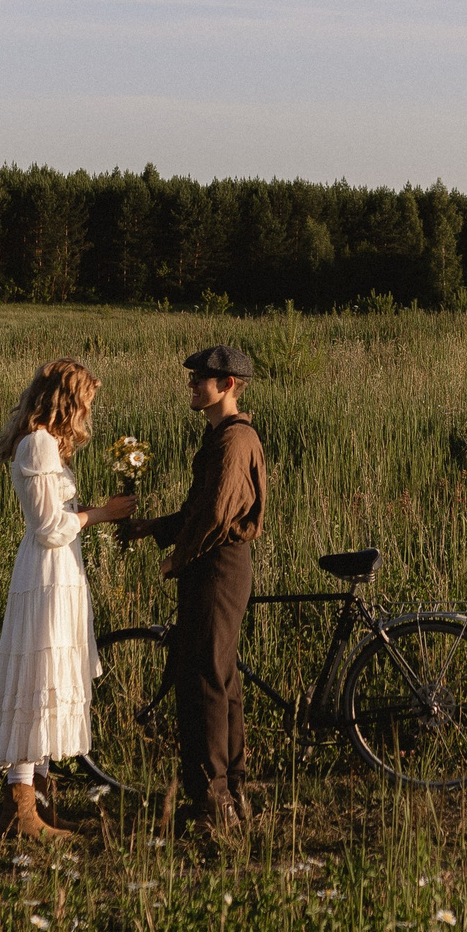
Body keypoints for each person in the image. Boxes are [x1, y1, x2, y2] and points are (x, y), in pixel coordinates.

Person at [0, 358, 135, 840]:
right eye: (85, 402)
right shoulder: (39, 445)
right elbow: (48, 529)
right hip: (46, 573)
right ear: (67, 400)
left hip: (60, 572)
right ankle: (21, 807)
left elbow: (56, 520)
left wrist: (92, 513)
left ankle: (37, 805)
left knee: (48, 681)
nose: (87, 412)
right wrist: (100, 514)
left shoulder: (46, 446)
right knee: (36, 679)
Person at [116, 344, 265, 836]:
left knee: (205, 679)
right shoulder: (222, 437)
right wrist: (151, 528)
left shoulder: (232, 441)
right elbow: (197, 512)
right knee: (219, 675)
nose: (192, 384)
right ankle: (230, 789)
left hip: (216, 565)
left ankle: (211, 801)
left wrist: (176, 558)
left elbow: (217, 515)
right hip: (217, 562)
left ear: (227, 386)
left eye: (201, 378)